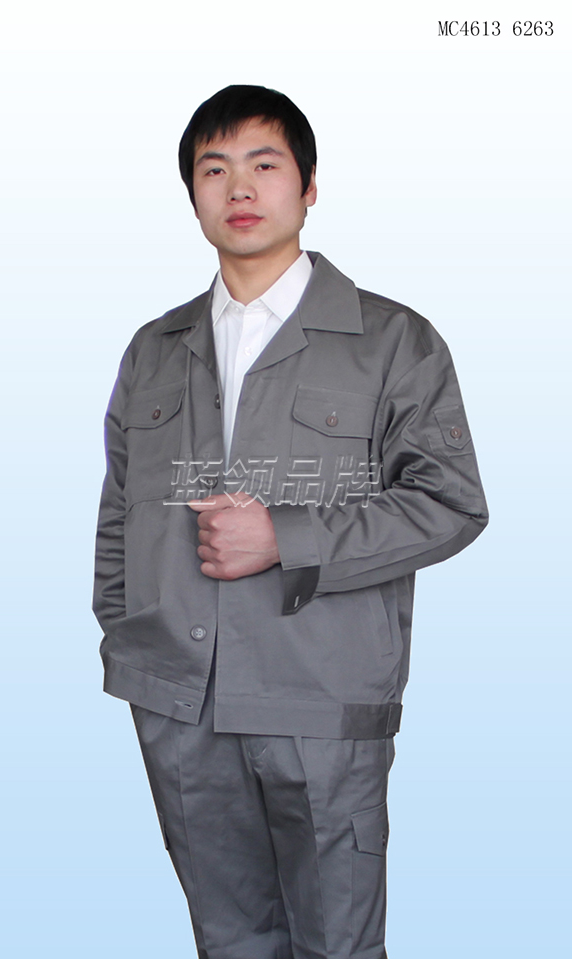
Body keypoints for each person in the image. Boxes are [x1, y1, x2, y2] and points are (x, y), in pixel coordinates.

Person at [93, 84, 488, 959]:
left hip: (320, 701)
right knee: (228, 941)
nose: (239, 187)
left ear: (308, 188)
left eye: (264, 165)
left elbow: (451, 501)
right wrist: (130, 642)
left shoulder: (392, 341)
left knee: (336, 944)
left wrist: (287, 537)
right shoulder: (154, 350)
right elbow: (119, 514)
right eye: (214, 169)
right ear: (192, 195)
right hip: (179, 705)